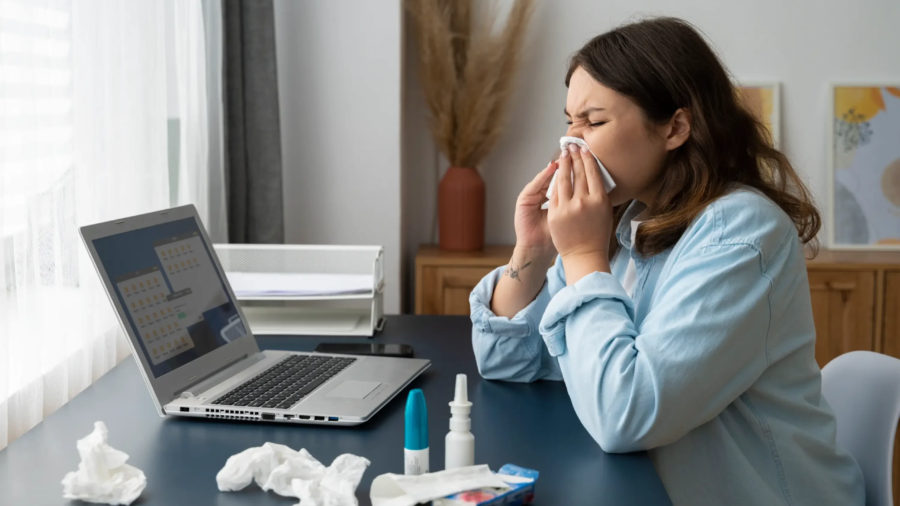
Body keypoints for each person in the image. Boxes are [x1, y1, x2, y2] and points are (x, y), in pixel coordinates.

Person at [469, 16, 864, 506]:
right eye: (569, 121)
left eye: (593, 122)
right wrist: (533, 250)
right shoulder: (626, 222)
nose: (572, 143)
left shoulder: (740, 235)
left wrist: (581, 255)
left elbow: (624, 416)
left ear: (675, 127)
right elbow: (505, 360)